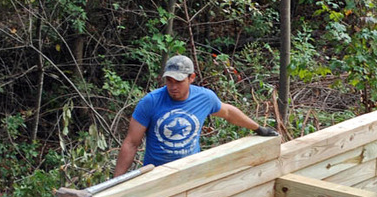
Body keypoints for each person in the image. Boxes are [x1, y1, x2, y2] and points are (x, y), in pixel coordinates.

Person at [114, 54, 278, 176]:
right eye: (169, 81)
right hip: (156, 173)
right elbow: (131, 143)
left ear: (191, 78)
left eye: (178, 81)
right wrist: (116, 182)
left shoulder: (204, 98)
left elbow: (228, 113)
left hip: (191, 169)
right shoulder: (150, 102)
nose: (173, 86)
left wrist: (258, 129)